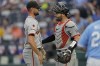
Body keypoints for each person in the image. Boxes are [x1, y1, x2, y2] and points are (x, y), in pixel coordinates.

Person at [42, 2, 80, 66]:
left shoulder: (70, 24)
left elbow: (77, 38)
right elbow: (54, 36)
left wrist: (69, 50)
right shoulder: (58, 24)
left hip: (67, 55)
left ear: (62, 14)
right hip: (59, 55)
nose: (55, 15)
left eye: (57, 13)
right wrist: (42, 41)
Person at [23, 1, 46, 66]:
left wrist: (41, 48)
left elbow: (35, 38)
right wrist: (39, 54)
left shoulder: (32, 20)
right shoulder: (31, 22)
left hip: (33, 51)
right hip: (31, 51)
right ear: (32, 9)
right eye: (37, 8)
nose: (38, 9)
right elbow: (31, 41)